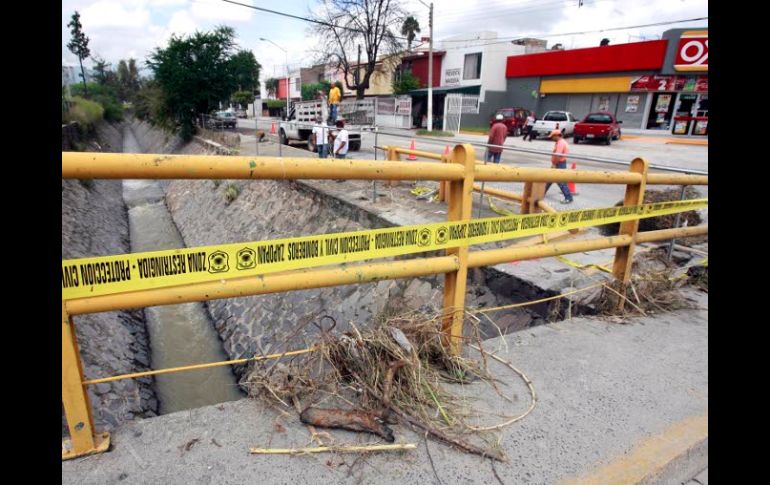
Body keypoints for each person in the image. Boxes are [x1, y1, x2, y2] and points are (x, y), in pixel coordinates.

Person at [544, 130, 574, 204]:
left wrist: (554, 164)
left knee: (561, 181)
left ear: (557, 135)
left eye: (552, 136)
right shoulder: (562, 142)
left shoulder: (560, 143)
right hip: (559, 163)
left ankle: (568, 197)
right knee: (549, 179)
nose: (551, 138)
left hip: (559, 164)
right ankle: (541, 193)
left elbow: (558, 155)